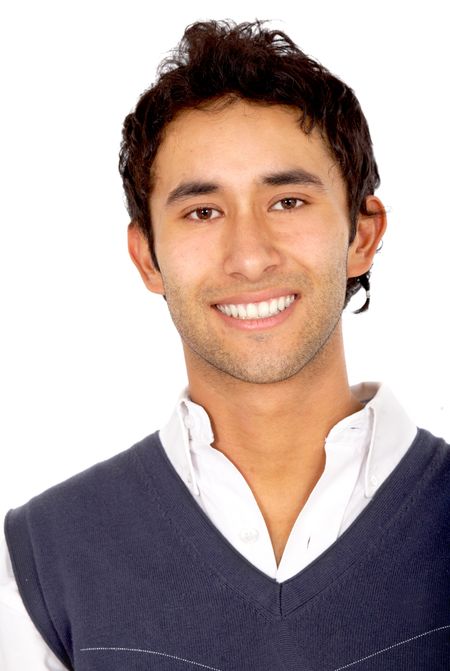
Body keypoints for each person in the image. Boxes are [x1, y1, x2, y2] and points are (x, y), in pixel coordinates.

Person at [1, 19, 449, 671]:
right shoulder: (39, 567)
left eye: (288, 201)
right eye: (203, 212)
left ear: (362, 234)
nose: (248, 255)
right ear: (147, 257)